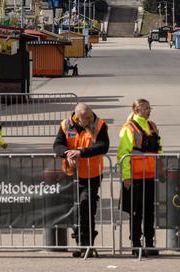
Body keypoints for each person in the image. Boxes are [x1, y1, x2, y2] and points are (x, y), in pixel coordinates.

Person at [53, 103, 109, 258]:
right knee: (74, 209)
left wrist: (80, 153)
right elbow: (57, 145)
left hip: (91, 175)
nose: (91, 118)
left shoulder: (99, 124)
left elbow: (103, 146)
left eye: (91, 115)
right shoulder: (66, 125)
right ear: (77, 118)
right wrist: (67, 154)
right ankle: (80, 242)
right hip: (71, 175)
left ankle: (87, 243)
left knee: (86, 206)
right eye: (87, 118)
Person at [118, 99, 162, 257]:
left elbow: (159, 149)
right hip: (135, 177)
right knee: (136, 212)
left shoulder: (153, 126)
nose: (148, 111)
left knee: (150, 211)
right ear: (136, 110)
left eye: (149, 108)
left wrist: (161, 169)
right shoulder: (129, 128)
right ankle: (136, 244)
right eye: (144, 109)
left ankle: (150, 243)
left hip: (150, 175)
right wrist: (126, 177)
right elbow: (123, 154)